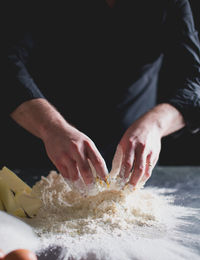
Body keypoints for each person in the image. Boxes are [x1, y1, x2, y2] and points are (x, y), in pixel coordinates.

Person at [3, 0, 200, 187]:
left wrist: (156, 124)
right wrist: (50, 127)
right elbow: (6, 62)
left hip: (132, 164)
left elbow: (195, 80)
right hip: (38, 152)